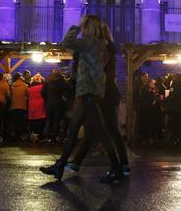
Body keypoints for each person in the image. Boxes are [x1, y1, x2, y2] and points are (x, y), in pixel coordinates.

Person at [39, 16, 123, 183]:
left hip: (88, 91)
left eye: (85, 25)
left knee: (99, 131)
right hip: (89, 91)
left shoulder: (89, 42)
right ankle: (60, 165)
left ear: (88, 26)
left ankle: (117, 168)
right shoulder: (100, 45)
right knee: (74, 130)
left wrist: (76, 26)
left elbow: (66, 42)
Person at [68, 23, 129, 174]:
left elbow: (97, 70)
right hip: (105, 92)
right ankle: (121, 165)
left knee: (103, 129)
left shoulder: (100, 48)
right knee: (98, 129)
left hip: (100, 92)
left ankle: (119, 165)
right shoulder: (108, 47)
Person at [42, 69, 66, 144]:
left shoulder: (48, 79)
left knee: (49, 119)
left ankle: (47, 137)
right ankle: (53, 138)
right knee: (56, 120)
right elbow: (65, 90)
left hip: (50, 101)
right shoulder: (62, 80)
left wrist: (47, 98)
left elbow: (43, 92)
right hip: (58, 102)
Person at [9, 71, 30, 141]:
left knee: (14, 121)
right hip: (22, 106)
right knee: (21, 121)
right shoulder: (25, 86)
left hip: (13, 106)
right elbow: (29, 95)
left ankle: (13, 135)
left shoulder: (12, 86)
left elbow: (10, 95)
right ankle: (20, 135)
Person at [28, 75, 47, 142]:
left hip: (32, 105)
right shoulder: (42, 87)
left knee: (34, 121)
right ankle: (39, 136)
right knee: (41, 120)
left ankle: (34, 134)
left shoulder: (30, 88)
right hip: (41, 105)